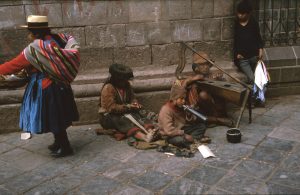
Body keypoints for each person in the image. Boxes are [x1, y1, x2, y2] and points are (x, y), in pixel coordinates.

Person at [0, 15, 80, 157]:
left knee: (55, 118)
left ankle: (65, 147)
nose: (28, 35)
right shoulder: (59, 39)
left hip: (48, 88)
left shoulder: (35, 49)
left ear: (34, 33)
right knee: (59, 116)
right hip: (61, 85)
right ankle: (58, 143)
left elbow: (13, 66)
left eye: (29, 31)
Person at [98, 63, 158, 143]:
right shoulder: (108, 88)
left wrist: (135, 104)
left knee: (140, 114)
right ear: (117, 79)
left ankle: (151, 131)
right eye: (124, 79)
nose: (126, 81)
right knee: (125, 120)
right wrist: (128, 106)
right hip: (109, 116)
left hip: (125, 111)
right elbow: (111, 108)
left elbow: (132, 99)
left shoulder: (127, 86)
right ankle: (144, 137)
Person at [174, 51, 234, 127]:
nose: (205, 67)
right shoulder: (193, 77)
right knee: (203, 95)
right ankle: (217, 120)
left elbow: (227, 88)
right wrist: (191, 80)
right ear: (196, 67)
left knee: (207, 94)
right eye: (202, 65)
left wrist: (219, 80)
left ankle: (217, 118)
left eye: (207, 64)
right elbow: (180, 90)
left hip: (216, 109)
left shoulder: (213, 75)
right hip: (201, 111)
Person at [233, 0, 265, 107]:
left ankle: (255, 100)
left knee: (260, 79)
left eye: (242, 14)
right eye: (238, 13)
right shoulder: (236, 24)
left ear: (248, 14)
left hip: (254, 56)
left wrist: (261, 49)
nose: (240, 15)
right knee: (252, 79)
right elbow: (235, 41)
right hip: (243, 60)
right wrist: (237, 54)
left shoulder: (253, 22)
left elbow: (258, 37)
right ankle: (255, 99)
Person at [158, 84, 209, 149]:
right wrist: (184, 134)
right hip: (169, 135)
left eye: (184, 98)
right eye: (181, 99)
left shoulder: (181, 106)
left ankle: (191, 140)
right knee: (179, 140)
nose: (184, 101)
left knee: (201, 127)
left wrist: (189, 114)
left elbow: (187, 122)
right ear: (174, 99)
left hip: (180, 130)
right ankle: (192, 140)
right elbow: (169, 131)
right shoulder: (166, 110)